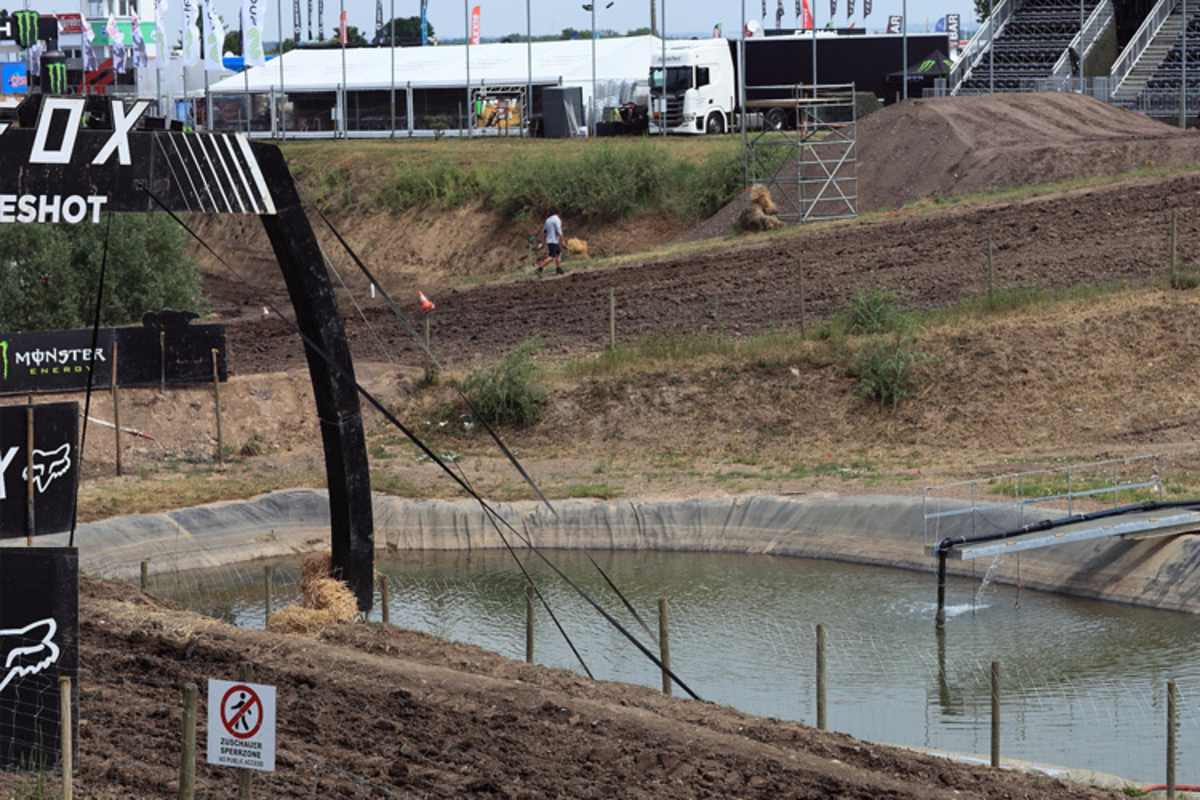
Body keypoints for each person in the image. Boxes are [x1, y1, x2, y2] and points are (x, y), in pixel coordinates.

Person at [537, 210, 564, 276]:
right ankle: (540, 268)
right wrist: (563, 241)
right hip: (553, 241)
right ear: (558, 213)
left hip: (550, 241)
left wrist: (542, 242)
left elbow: (544, 232)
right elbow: (559, 231)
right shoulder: (557, 219)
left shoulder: (547, 220)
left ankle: (558, 268)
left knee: (558, 253)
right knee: (552, 257)